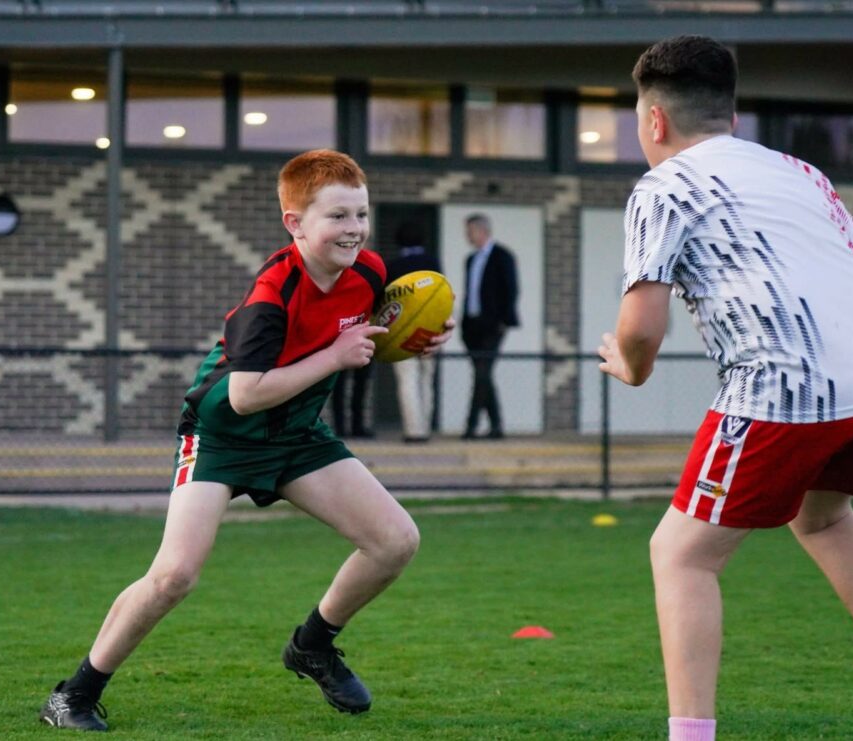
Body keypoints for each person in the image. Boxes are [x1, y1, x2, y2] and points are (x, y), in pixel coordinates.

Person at [597, 36, 853, 741]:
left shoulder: (662, 187)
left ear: (654, 120)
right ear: (731, 117)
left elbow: (641, 325)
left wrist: (630, 369)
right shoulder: (798, 170)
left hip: (783, 383)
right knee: (823, 517)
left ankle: (691, 737)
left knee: (682, 554)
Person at [40, 149, 453, 731]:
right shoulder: (271, 295)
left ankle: (312, 645)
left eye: (361, 214)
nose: (354, 228)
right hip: (222, 437)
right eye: (337, 216)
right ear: (295, 223)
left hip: (297, 435)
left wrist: (420, 334)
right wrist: (335, 357)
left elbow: (384, 323)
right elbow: (245, 394)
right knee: (174, 576)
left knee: (395, 541)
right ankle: (73, 696)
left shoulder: (368, 272)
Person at [460, 213, 519, 439]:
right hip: (472, 326)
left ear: (481, 231)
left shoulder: (502, 256)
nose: (467, 236)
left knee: (482, 374)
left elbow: (511, 289)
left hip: (493, 326)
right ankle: (496, 425)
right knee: (482, 375)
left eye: (469, 231)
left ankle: (471, 425)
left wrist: (503, 321)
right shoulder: (471, 260)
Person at [385, 221, 443, 443]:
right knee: (427, 378)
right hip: (430, 328)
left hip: (402, 331)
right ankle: (425, 428)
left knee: (407, 379)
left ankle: (413, 430)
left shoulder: (393, 266)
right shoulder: (432, 263)